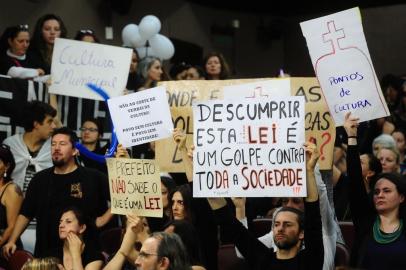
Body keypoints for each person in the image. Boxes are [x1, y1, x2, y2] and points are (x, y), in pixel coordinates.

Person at [207, 142, 324, 270]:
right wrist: (200, 172)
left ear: (302, 233)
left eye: (288, 224)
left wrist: (309, 171)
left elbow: (313, 217)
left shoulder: (310, 261)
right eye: (276, 224)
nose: (280, 229)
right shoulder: (262, 258)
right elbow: (227, 221)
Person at [3, 127, 112, 258]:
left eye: (62, 144)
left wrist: (101, 221)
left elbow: (120, 197)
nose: (56, 148)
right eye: (53, 144)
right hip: (46, 254)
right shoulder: (39, 179)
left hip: (83, 255)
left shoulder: (93, 177)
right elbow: (26, 213)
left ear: (75, 150)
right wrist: (12, 240)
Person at [345, 112, 406, 269]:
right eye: (377, 191)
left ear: (401, 197)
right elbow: (354, 182)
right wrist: (351, 138)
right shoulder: (366, 222)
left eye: (386, 191)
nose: (380, 195)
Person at [2, 100, 57, 192]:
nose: (54, 126)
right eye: (49, 122)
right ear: (36, 124)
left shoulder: (54, 147)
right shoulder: (10, 145)